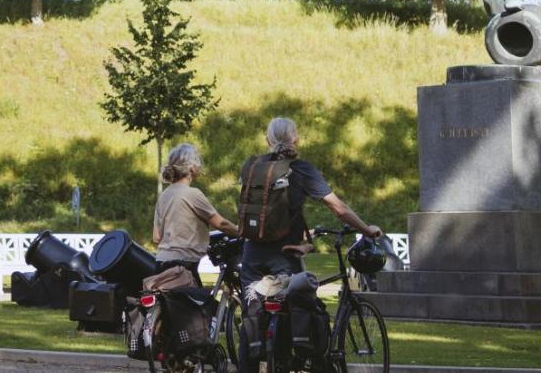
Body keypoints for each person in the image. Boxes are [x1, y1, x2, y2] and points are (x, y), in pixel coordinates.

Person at [237, 117, 381, 369]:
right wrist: (367, 229)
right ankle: (315, 362)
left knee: (252, 318)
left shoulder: (252, 168)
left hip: (251, 254)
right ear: (296, 139)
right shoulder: (301, 169)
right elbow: (338, 208)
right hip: (284, 255)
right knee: (305, 308)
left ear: (267, 139)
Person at [153, 143, 238, 287]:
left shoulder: (164, 196)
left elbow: (156, 237)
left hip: (161, 263)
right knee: (201, 301)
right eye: (198, 163)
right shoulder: (193, 194)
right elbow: (221, 224)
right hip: (184, 266)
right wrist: (242, 232)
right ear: (192, 168)